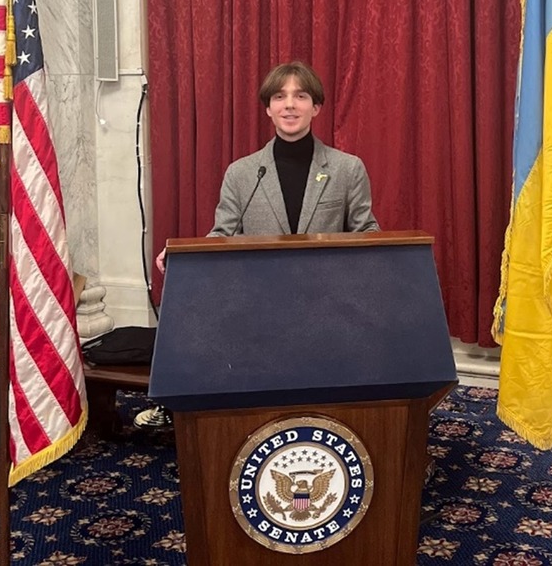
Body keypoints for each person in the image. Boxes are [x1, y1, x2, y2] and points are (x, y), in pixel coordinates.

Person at [138, 61, 380, 428]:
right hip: (259, 308)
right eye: (280, 96)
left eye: (301, 96)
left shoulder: (348, 169)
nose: (289, 105)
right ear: (268, 108)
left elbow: (365, 231)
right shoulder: (243, 173)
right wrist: (184, 256)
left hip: (328, 307)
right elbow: (223, 234)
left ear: (316, 107)